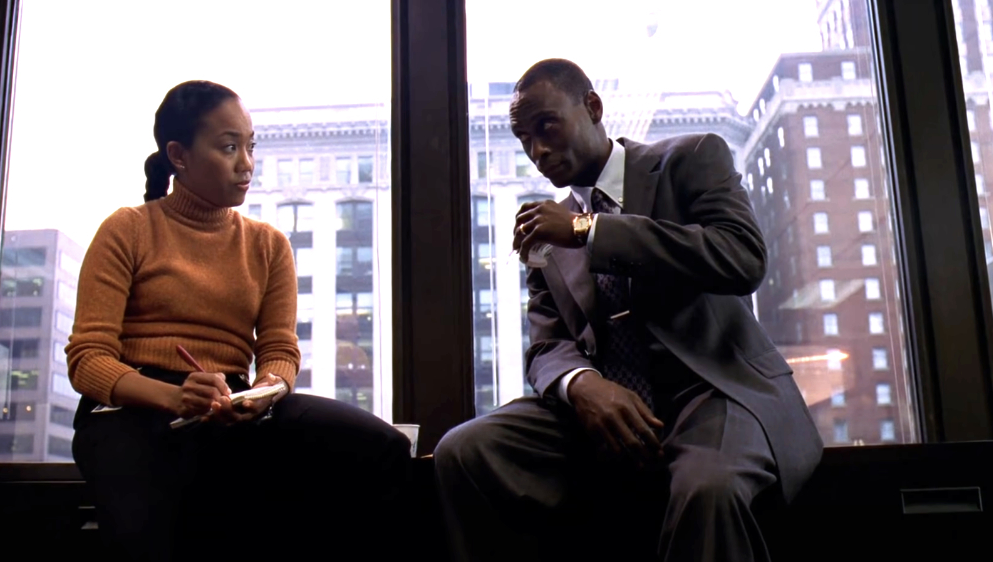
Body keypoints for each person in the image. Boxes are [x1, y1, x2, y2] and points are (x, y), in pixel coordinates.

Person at [434, 59, 823, 562]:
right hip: (605, 409)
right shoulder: (545, 232)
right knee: (465, 451)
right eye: (523, 138)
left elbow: (741, 257)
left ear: (592, 107)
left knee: (710, 489)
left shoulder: (691, 157)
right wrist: (583, 385)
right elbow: (546, 344)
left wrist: (588, 230)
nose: (537, 151)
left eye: (546, 126)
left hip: (713, 389)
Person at [66, 80, 412, 562]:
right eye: (229, 148)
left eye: (250, 147)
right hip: (135, 409)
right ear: (179, 156)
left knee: (381, 447)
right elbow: (88, 361)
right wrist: (173, 396)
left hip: (230, 405)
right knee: (163, 517)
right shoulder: (128, 229)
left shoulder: (267, 245)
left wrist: (267, 391)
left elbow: (279, 351)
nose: (246, 164)